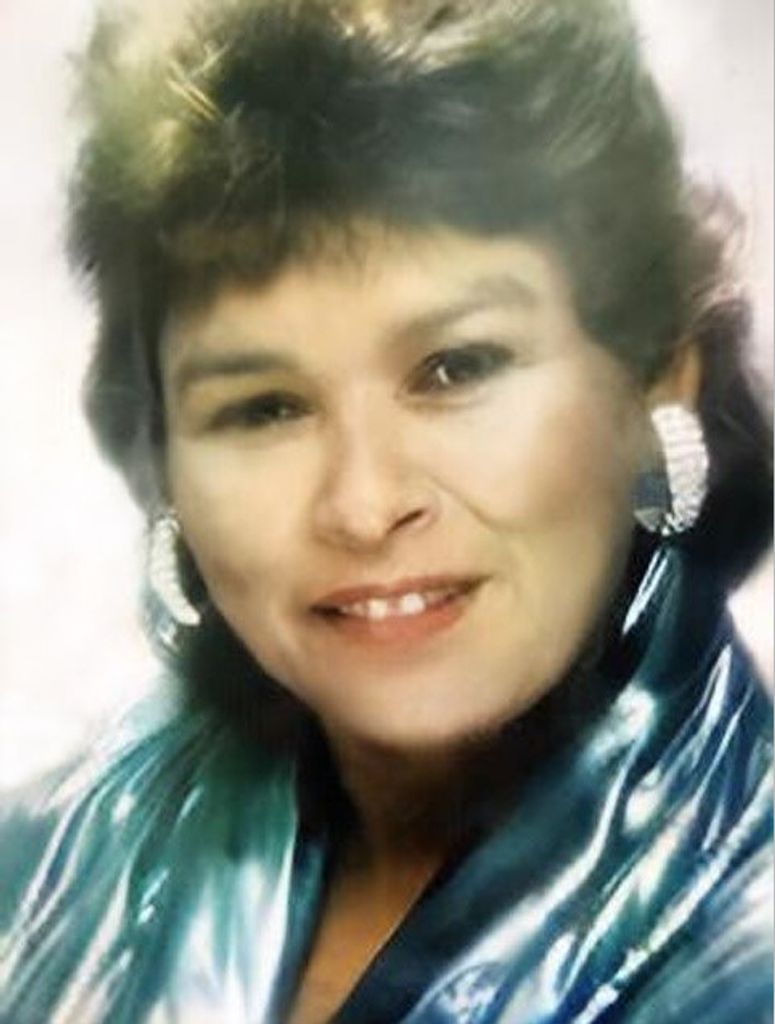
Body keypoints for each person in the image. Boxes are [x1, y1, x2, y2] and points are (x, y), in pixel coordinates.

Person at [0, 0, 771, 1021]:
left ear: (656, 372)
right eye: (264, 408)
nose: (364, 506)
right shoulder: (42, 868)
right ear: (163, 459)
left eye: (454, 369)